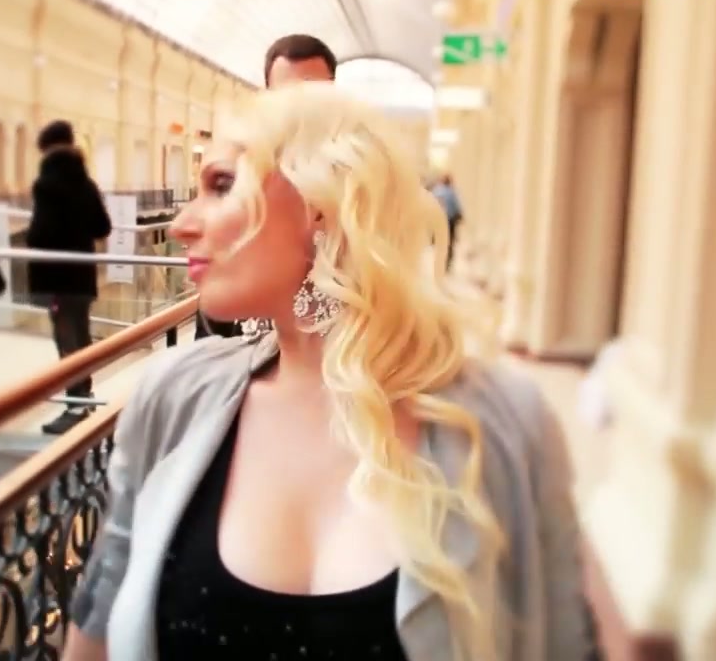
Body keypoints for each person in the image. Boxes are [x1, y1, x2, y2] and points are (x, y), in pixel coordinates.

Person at [62, 83, 594, 661]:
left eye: (221, 185)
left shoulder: (504, 423)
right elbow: (102, 606)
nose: (183, 224)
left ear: (319, 201)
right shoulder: (175, 396)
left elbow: (564, 642)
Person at [195, 33, 339, 341]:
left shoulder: (353, 172)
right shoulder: (240, 163)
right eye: (285, 94)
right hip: (251, 338)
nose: (298, 107)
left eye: (311, 93)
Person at [26, 120, 112, 435]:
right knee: (81, 335)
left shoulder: (46, 185)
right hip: (82, 275)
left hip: (56, 277)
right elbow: (102, 227)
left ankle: (75, 405)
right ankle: (83, 397)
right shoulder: (86, 183)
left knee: (66, 340)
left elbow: (40, 233)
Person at [431, 174, 464, 272]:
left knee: (439, 242)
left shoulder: (436, 190)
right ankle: (447, 262)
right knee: (449, 243)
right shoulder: (452, 192)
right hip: (450, 221)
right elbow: (457, 207)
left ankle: (439, 261)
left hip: (438, 220)